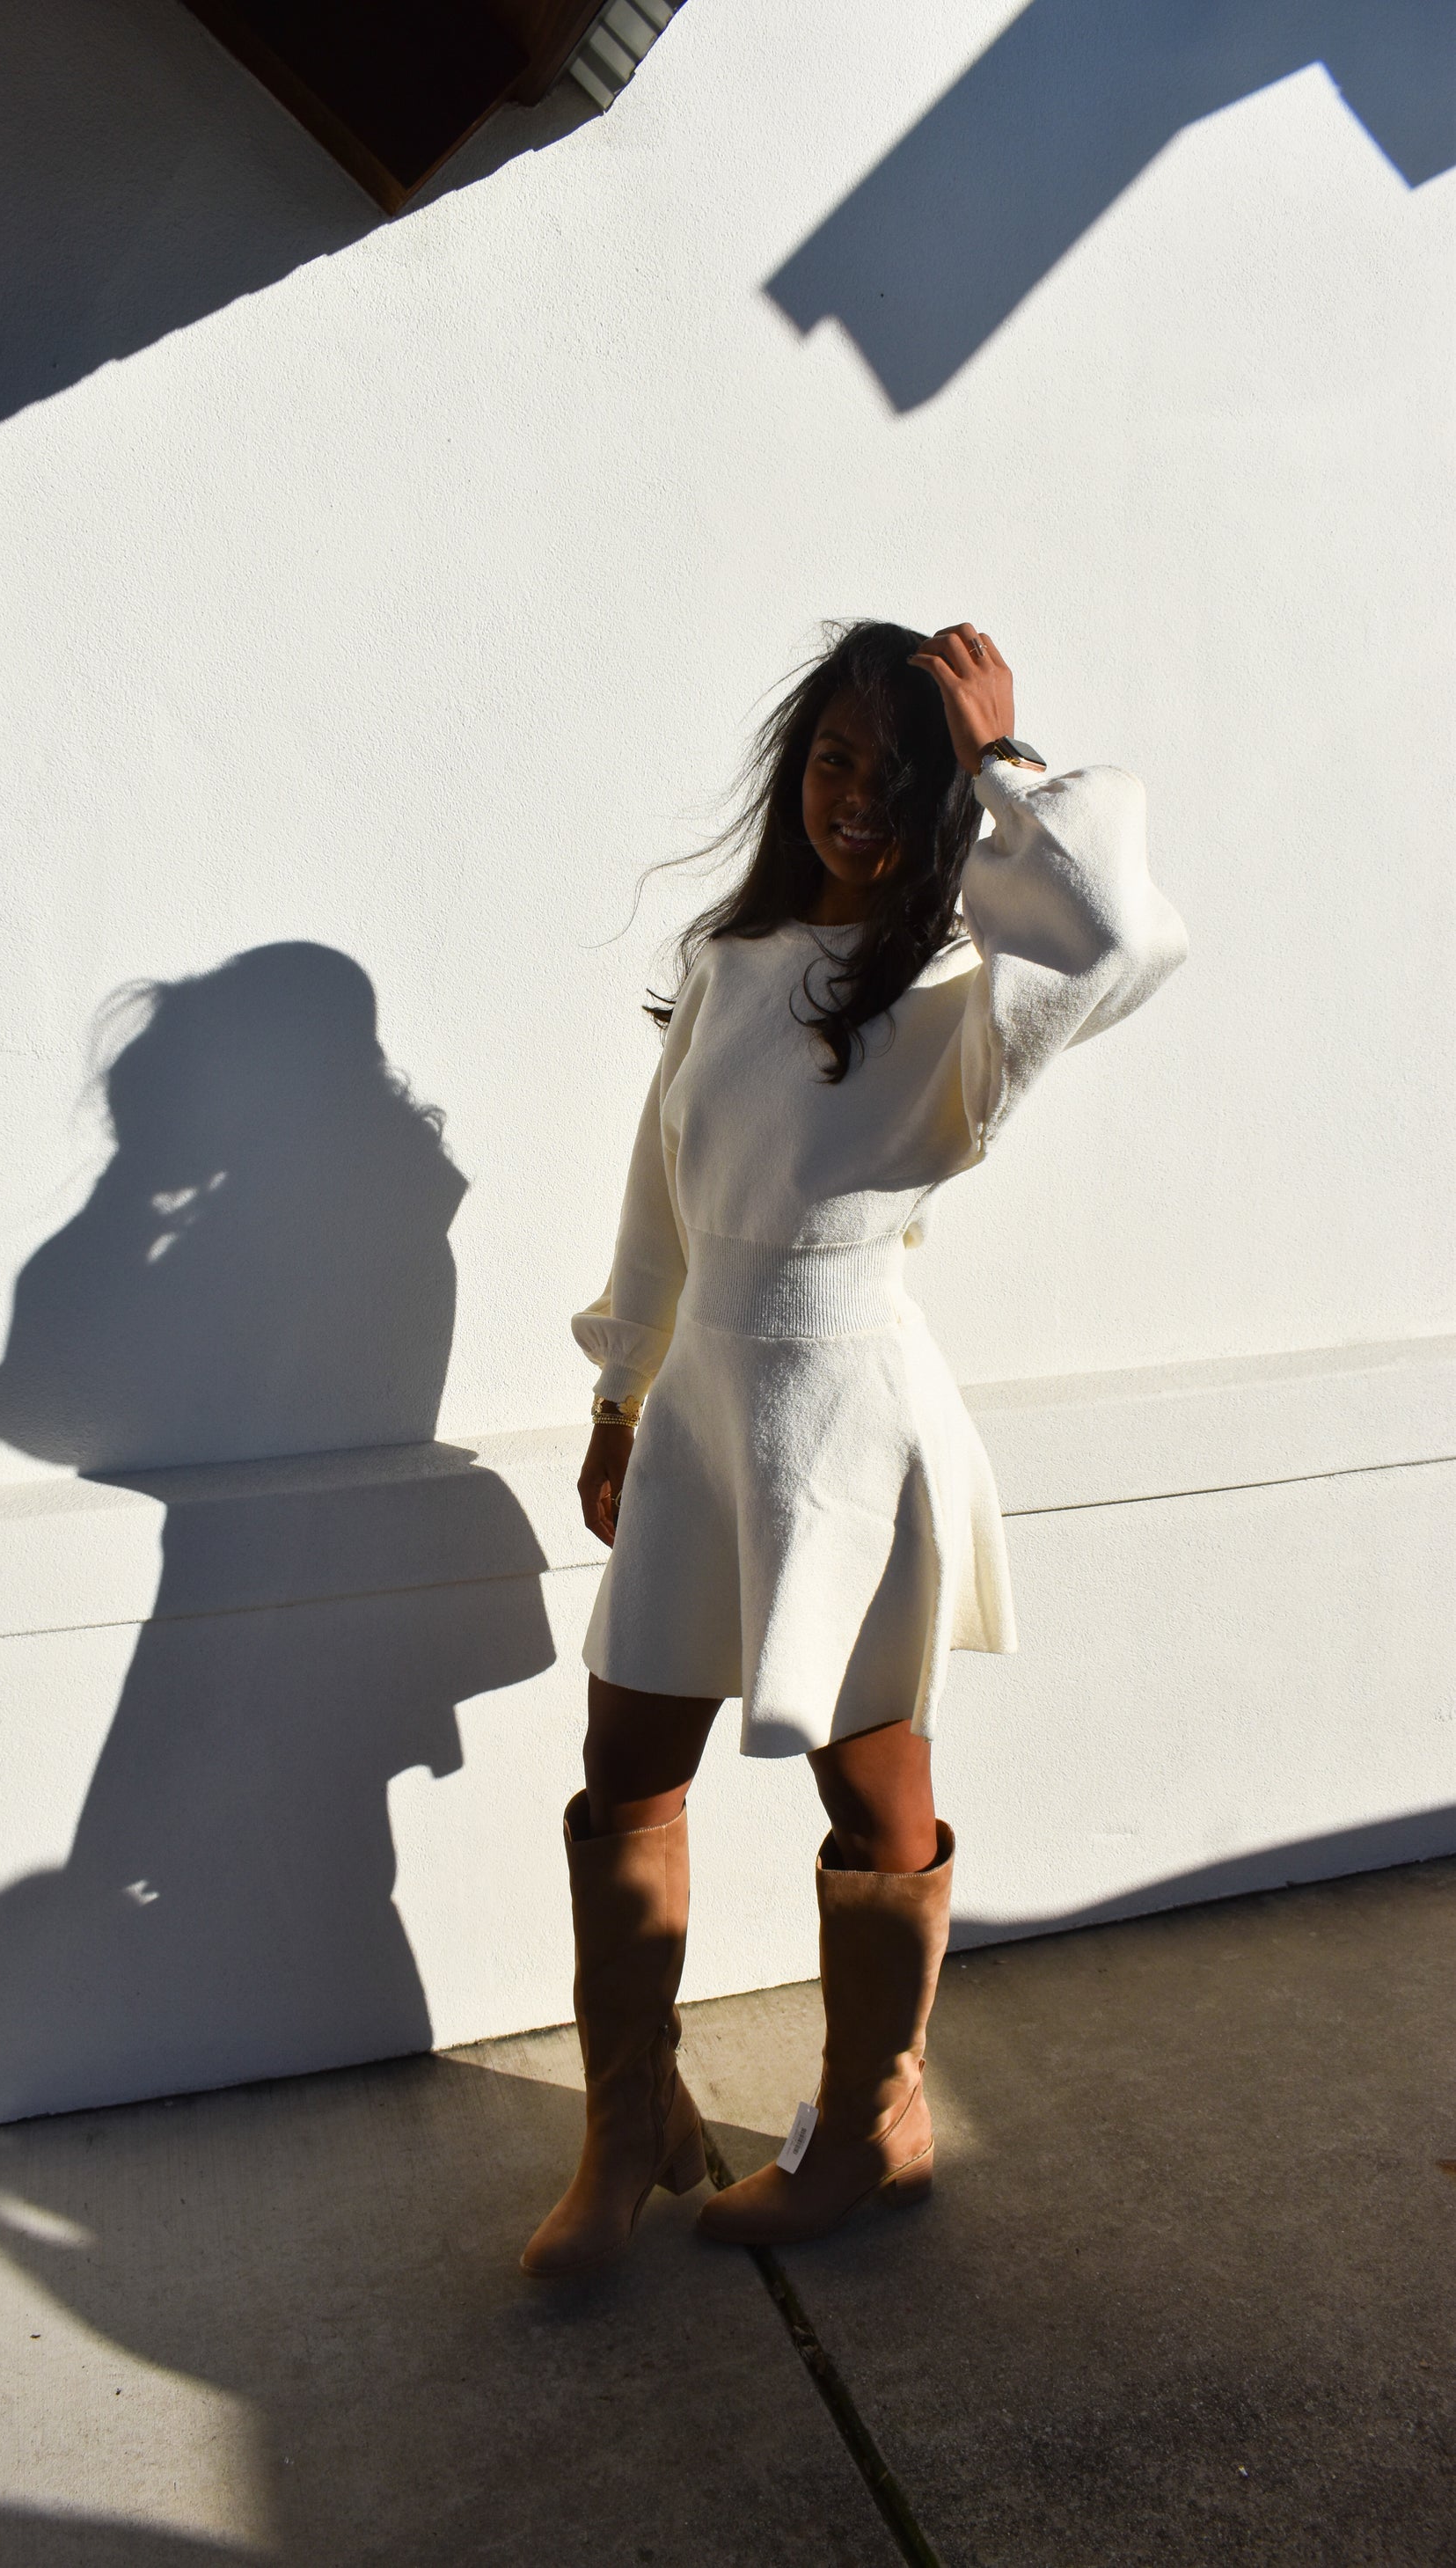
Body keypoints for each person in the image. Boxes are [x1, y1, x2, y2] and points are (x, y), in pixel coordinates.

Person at [521, 619, 1188, 2279]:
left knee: (874, 1798)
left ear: (946, 801)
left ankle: (876, 2120)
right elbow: (660, 1200)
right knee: (623, 1772)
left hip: (848, 1422)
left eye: (898, 776)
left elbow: (1116, 933)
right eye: (832, 761)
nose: (856, 800)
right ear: (791, 770)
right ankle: (628, 2125)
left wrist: (1003, 760)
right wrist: (619, 1395)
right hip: (697, 1413)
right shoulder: (733, 960)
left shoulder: (964, 991)